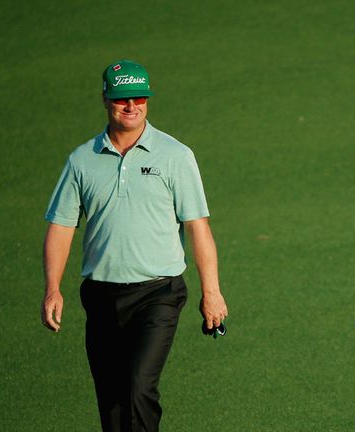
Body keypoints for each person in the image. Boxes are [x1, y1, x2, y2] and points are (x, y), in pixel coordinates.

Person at [40, 59, 228, 432]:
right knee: (110, 398)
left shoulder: (176, 156)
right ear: (106, 100)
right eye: (123, 99)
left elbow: (198, 227)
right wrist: (52, 289)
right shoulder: (81, 161)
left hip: (158, 294)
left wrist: (213, 293)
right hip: (101, 295)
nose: (132, 106)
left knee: (139, 388)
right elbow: (61, 226)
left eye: (139, 98)